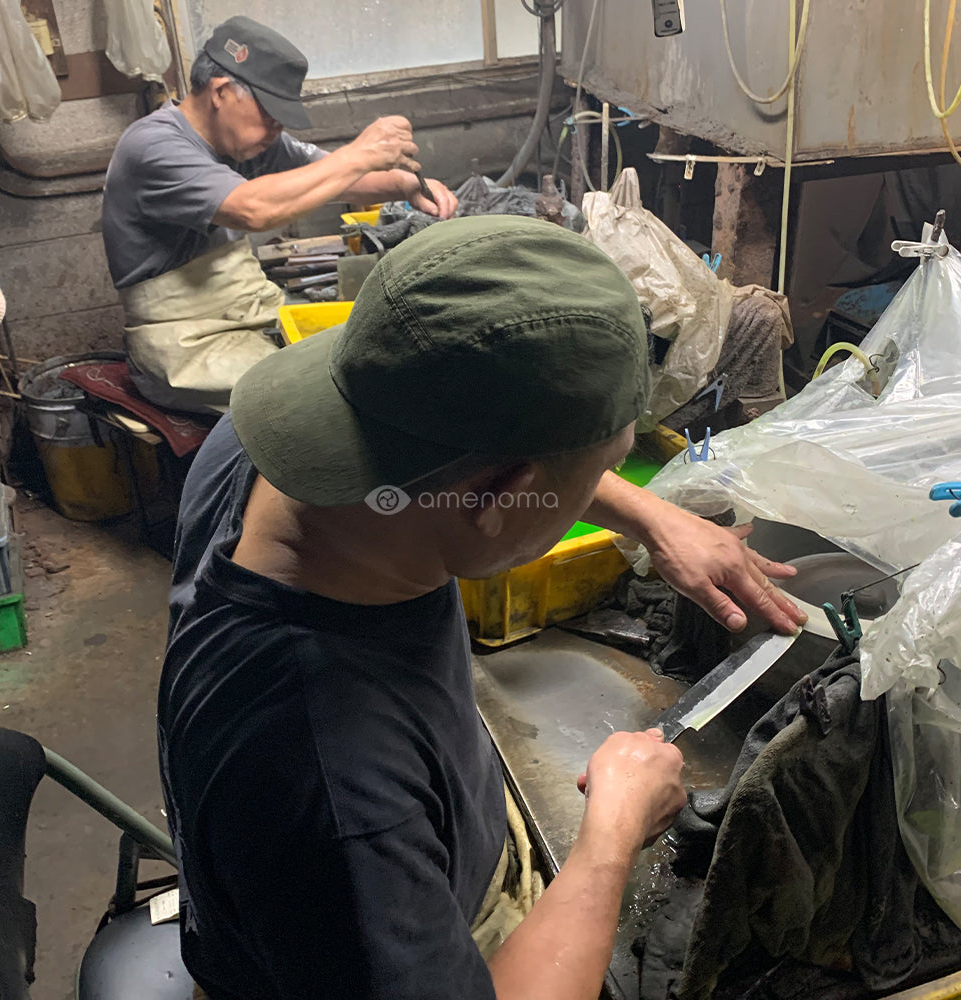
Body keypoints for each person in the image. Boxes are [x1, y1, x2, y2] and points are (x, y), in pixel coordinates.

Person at [159, 216, 806, 1000]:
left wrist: (652, 516)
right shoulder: (339, 791)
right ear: (500, 494)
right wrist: (614, 834)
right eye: (601, 468)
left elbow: (467, 451)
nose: (608, 487)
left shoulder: (273, 444)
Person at [102, 15, 457, 414]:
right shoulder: (153, 145)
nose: (276, 129)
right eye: (270, 114)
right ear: (221, 92)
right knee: (328, 395)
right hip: (184, 345)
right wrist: (360, 154)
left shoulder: (249, 141)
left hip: (250, 313)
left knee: (377, 355)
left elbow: (331, 176)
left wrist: (402, 183)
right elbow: (252, 210)